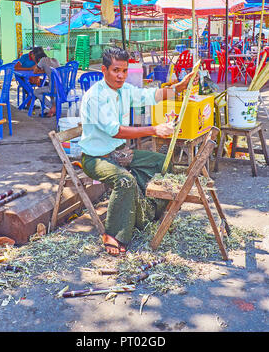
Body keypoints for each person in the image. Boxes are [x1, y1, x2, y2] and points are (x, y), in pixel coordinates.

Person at [79, 46, 199, 256]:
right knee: (125, 181)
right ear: (104, 71)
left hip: (118, 154)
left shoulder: (123, 90)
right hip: (96, 159)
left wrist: (178, 88)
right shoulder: (95, 97)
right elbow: (115, 131)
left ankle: (148, 213)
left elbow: (148, 95)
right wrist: (154, 129)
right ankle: (113, 234)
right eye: (116, 70)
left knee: (160, 162)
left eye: (124, 70)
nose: (121, 75)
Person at [32, 47, 60, 117]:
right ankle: (53, 107)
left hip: (54, 88)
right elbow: (50, 70)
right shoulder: (55, 60)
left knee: (36, 92)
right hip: (62, 87)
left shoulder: (42, 60)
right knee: (50, 86)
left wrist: (38, 66)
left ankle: (52, 107)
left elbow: (35, 71)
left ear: (38, 58)